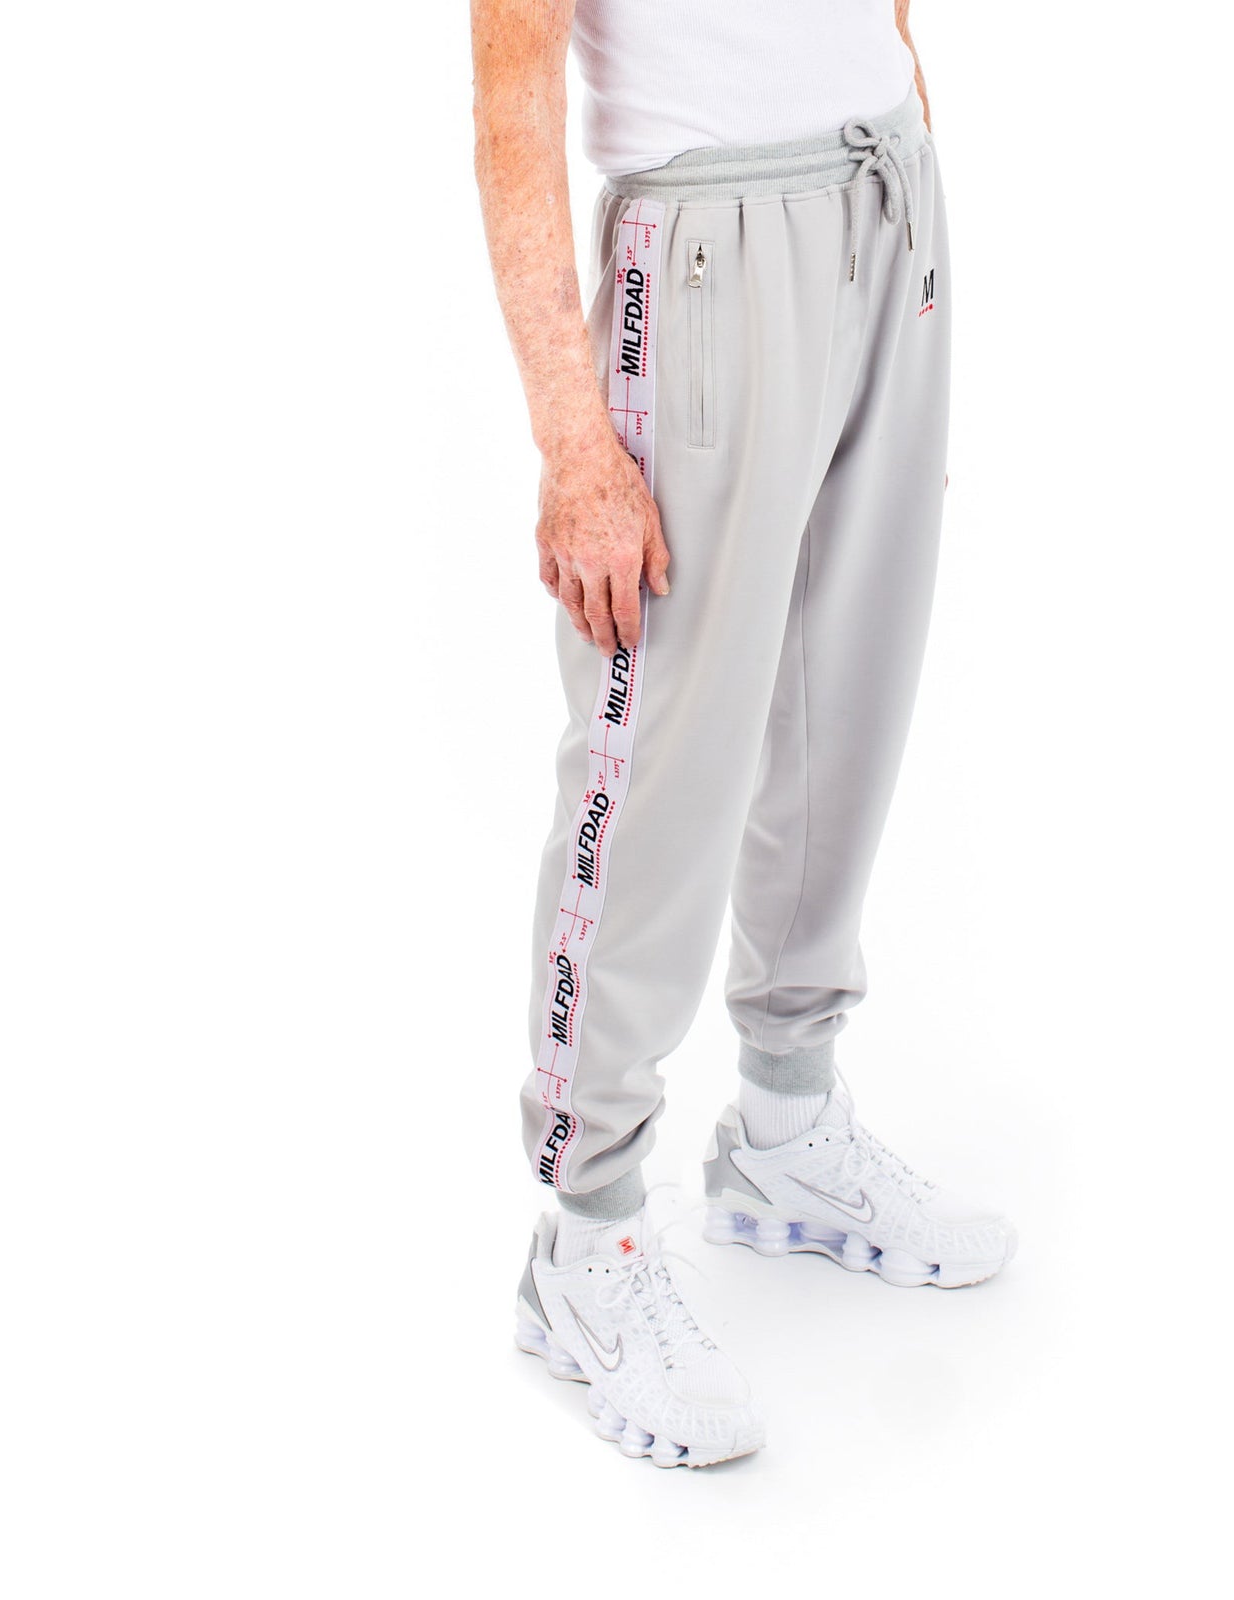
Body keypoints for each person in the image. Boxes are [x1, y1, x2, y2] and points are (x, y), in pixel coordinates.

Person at [471, 0, 1013, 1467]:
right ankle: (585, 1240)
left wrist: (907, 184)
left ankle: (786, 1127)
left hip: (886, 201)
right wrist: (574, 446)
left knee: (852, 694)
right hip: (706, 247)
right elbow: (512, 102)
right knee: (659, 751)